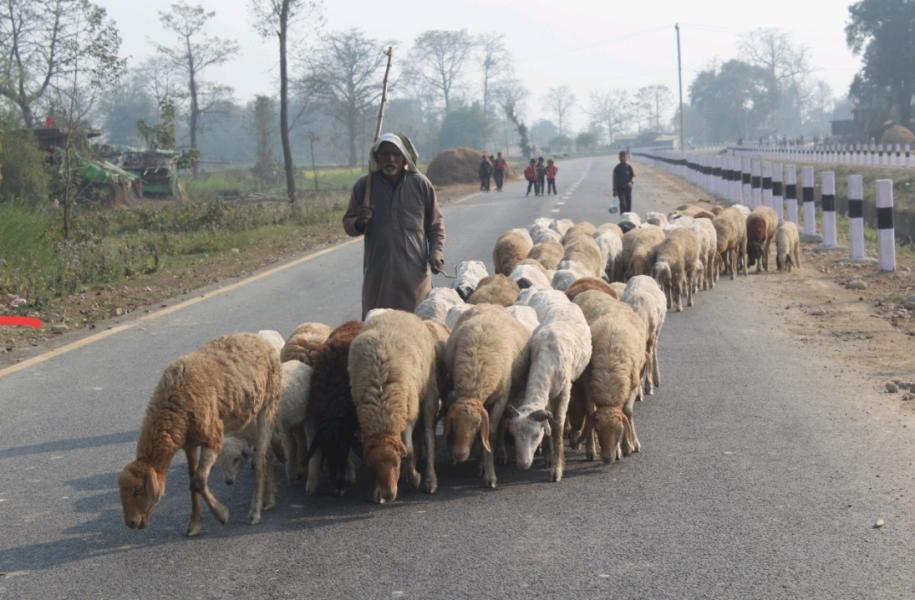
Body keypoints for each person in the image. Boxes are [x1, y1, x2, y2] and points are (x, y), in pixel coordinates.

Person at [343, 133, 445, 318]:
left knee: (419, 327)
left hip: (414, 276)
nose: (390, 159)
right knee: (378, 326)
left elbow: (435, 225)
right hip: (379, 275)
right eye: (385, 154)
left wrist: (436, 252)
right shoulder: (364, 187)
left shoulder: (421, 184)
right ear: (377, 158)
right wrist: (360, 221)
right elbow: (348, 225)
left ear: (404, 158)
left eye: (395, 154)